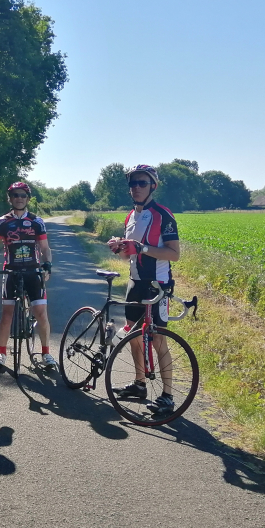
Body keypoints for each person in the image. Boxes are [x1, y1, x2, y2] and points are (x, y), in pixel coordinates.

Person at [106, 165, 180, 417]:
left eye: (141, 183)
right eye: (132, 183)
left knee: (158, 340)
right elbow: (131, 252)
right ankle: (139, 384)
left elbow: (174, 254)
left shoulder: (163, 215)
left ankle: (168, 396)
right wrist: (120, 247)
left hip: (157, 284)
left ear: (153, 186)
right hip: (135, 283)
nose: (136, 187)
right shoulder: (130, 217)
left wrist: (142, 248)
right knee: (133, 335)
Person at [0, 182, 56, 369]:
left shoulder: (36, 221)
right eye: (15, 195)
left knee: (41, 313)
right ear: (10, 198)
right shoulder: (3, 222)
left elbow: (45, 248)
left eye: (23, 195)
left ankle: (46, 353)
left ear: (28, 198)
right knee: (7, 314)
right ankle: (1, 352)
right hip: (11, 271)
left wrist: (47, 265)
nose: (19, 198)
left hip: (33, 271)